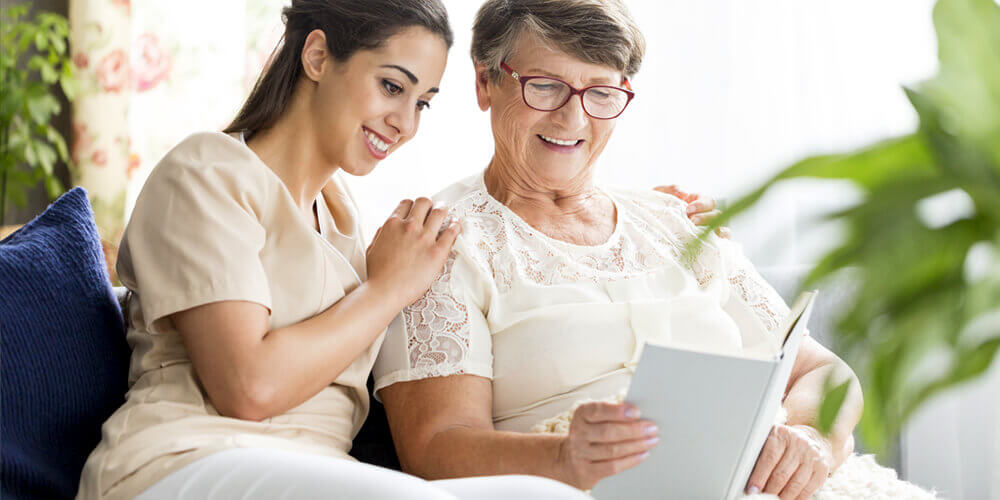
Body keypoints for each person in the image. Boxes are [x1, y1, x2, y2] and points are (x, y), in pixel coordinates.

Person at [76, 1, 717, 499]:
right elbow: (250, 385)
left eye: (423, 103)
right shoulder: (208, 172)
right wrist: (387, 290)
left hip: (318, 474)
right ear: (320, 56)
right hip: (187, 463)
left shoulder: (347, 221)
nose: (405, 123)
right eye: (391, 86)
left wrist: (645, 221)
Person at [374, 1, 864, 499]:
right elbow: (436, 448)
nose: (572, 117)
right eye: (544, 86)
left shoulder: (678, 222)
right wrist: (565, 459)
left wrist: (812, 438)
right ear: (485, 82)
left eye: (601, 93)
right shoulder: (440, 244)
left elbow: (821, 370)